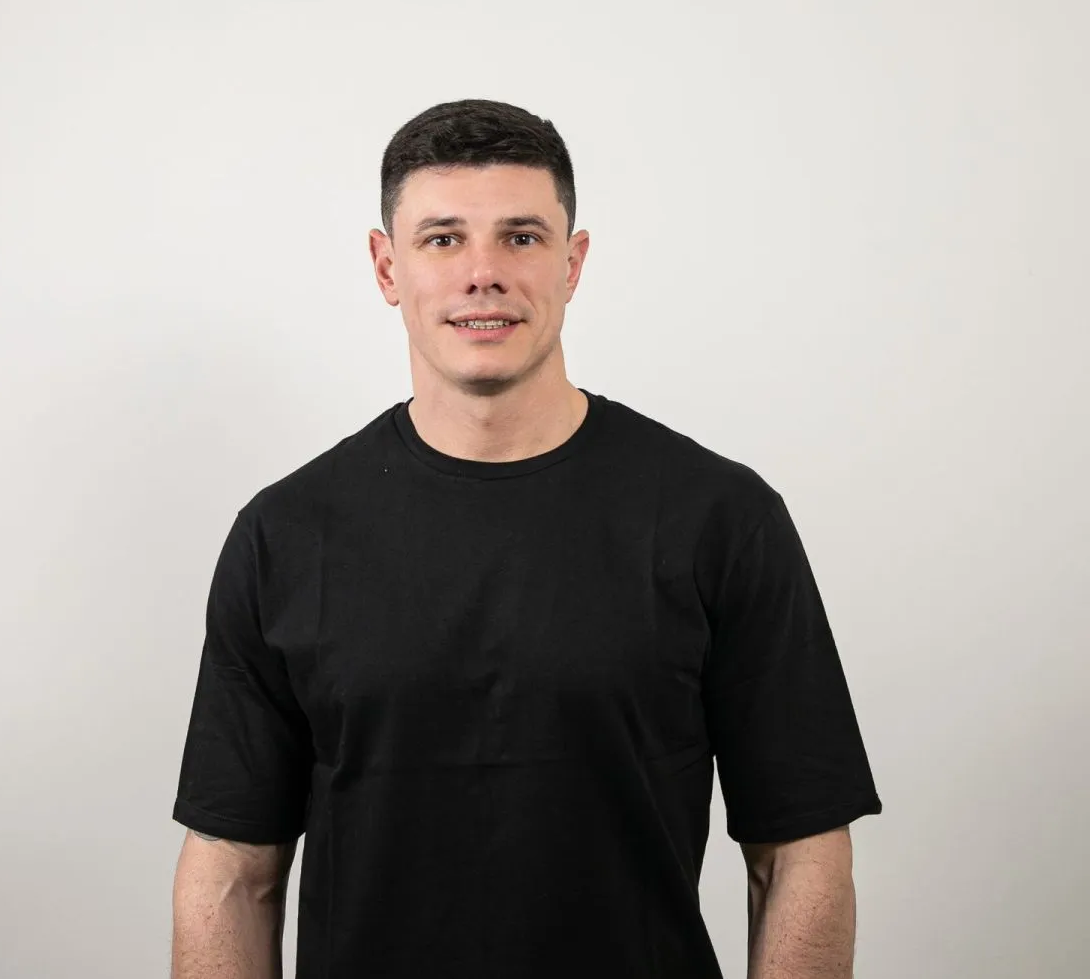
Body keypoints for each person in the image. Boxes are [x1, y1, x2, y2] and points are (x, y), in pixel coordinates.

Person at [170, 98, 883, 979]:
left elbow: (801, 849)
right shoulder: (284, 536)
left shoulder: (721, 518)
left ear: (572, 263)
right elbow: (231, 872)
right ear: (387, 266)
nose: (483, 273)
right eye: (442, 239)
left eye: (521, 237)